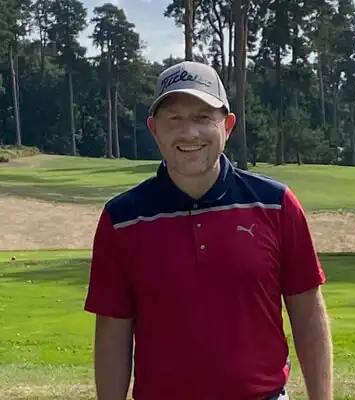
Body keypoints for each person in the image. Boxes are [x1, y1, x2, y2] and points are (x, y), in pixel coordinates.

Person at [84, 61, 333, 400]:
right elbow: (113, 331)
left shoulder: (275, 204)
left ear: (227, 126)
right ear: (154, 130)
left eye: (203, 118)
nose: (189, 133)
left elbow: (307, 312)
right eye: (174, 119)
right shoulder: (122, 219)